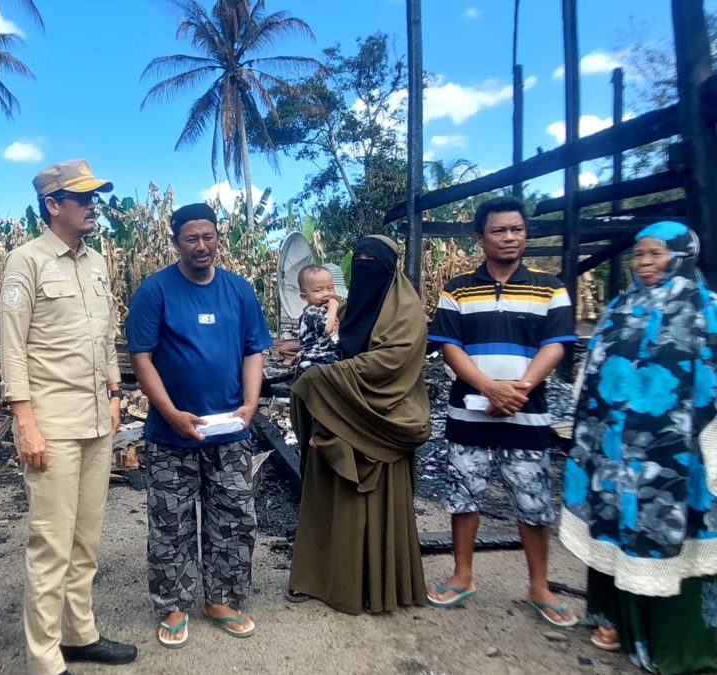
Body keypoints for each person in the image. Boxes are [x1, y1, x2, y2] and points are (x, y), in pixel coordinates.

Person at [560, 222, 717, 673]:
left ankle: (676, 643)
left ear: (682, 254)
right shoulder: (619, 307)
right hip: (613, 451)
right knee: (613, 528)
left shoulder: (704, 310)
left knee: (667, 534)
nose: (644, 264)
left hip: (674, 459)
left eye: (655, 254)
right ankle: (616, 623)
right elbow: (591, 375)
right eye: (639, 255)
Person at [0, 159, 136, 675]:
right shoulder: (26, 261)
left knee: (87, 537)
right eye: (82, 198)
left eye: (95, 196)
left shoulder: (97, 263)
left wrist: (114, 392)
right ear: (53, 205)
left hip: (97, 418)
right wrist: (25, 422)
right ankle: (43, 658)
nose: (93, 205)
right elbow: (12, 347)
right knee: (51, 542)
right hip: (51, 422)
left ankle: (80, 634)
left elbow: (104, 337)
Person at [426, 196, 579, 627]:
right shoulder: (457, 289)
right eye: (499, 230)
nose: (510, 237)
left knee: (533, 502)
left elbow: (556, 343)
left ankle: (539, 586)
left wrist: (521, 388)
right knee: (463, 496)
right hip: (469, 413)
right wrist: (488, 386)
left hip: (528, 415)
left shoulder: (550, 287)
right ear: (480, 238)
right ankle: (462, 574)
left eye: (517, 230)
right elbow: (449, 346)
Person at [125, 202, 272, 648]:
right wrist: (170, 413)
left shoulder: (239, 291)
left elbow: (253, 350)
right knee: (171, 524)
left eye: (208, 236)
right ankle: (173, 604)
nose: (201, 246)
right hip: (172, 435)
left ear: (216, 237)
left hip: (229, 432)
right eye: (191, 238)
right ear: (175, 242)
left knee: (232, 517)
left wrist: (250, 404)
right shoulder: (155, 292)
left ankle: (221, 600)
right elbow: (141, 359)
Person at [285, 235, 430, 614]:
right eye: (359, 259)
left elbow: (392, 362)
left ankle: (378, 586)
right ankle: (325, 579)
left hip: (382, 416)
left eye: (373, 260)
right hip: (339, 412)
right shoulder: (347, 310)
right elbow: (329, 342)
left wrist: (327, 379)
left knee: (375, 504)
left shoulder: (405, 310)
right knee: (333, 501)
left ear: (391, 266)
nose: (365, 265)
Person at [294, 264, 340, 372]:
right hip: (314, 362)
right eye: (318, 290)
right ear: (304, 296)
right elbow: (326, 330)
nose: (326, 294)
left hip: (326, 360)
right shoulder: (311, 311)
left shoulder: (323, 310)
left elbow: (332, 338)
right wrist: (333, 307)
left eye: (330, 288)